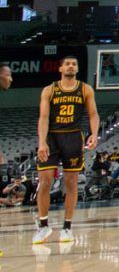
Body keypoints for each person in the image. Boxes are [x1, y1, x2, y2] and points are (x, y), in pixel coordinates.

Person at [33, 56, 99, 244]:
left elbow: (93, 114)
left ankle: (67, 227)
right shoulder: (49, 90)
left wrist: (94, 134)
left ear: (77, 69)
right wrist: (42, 142)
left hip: (73, 137)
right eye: (67, 64)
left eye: (74, 64)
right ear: (60, 68)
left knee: (71, 182)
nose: (71, 66)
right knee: (44, 180)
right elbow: (43, 118)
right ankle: (44, 225)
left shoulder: (85, 89)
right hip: (52, 137)